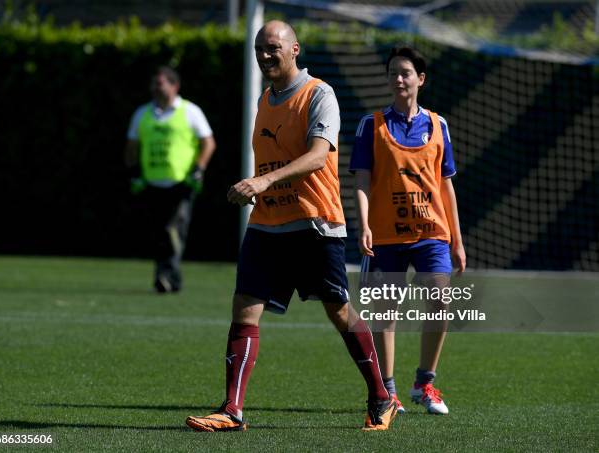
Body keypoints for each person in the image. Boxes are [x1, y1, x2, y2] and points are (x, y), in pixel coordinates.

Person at [185, 20, 396, 432]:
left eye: (273, 48)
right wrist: (254, 190)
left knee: (339, 311)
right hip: (267, 223)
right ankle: (232, 410)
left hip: (315, 223)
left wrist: (262, 181)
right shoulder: (265, 99)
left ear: (294, 49)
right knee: (244, 306)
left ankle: (381, 396)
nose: (265, 55)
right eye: (259, 49)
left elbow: (319, 156)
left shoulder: (320, 94)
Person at [350, 46, 466, 415]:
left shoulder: (438, 124)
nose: (398, 79)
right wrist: (364, 224)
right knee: (385, 312)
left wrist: (457, 241)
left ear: (420, 78)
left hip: (432, 231)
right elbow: (362, 182)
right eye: (392, 73)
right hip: (385, 234)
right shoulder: (372, 125)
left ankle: (425, 383)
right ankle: (389, 391)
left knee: (441, 302)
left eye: (404, 72)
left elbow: (446, 185)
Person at [124, 66, 216, 293]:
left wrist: (198, 168)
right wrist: (134, 172)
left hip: (181, 183)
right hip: (152, 183)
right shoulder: (142, 114)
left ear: (175, 86)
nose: (156, 88)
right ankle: (170, 279)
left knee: (173, 229)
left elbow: (208, 142)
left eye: (161, 83)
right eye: (154, 84)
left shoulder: (190, 111)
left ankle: (164, 277)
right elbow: (132, 147)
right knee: (159, 232)